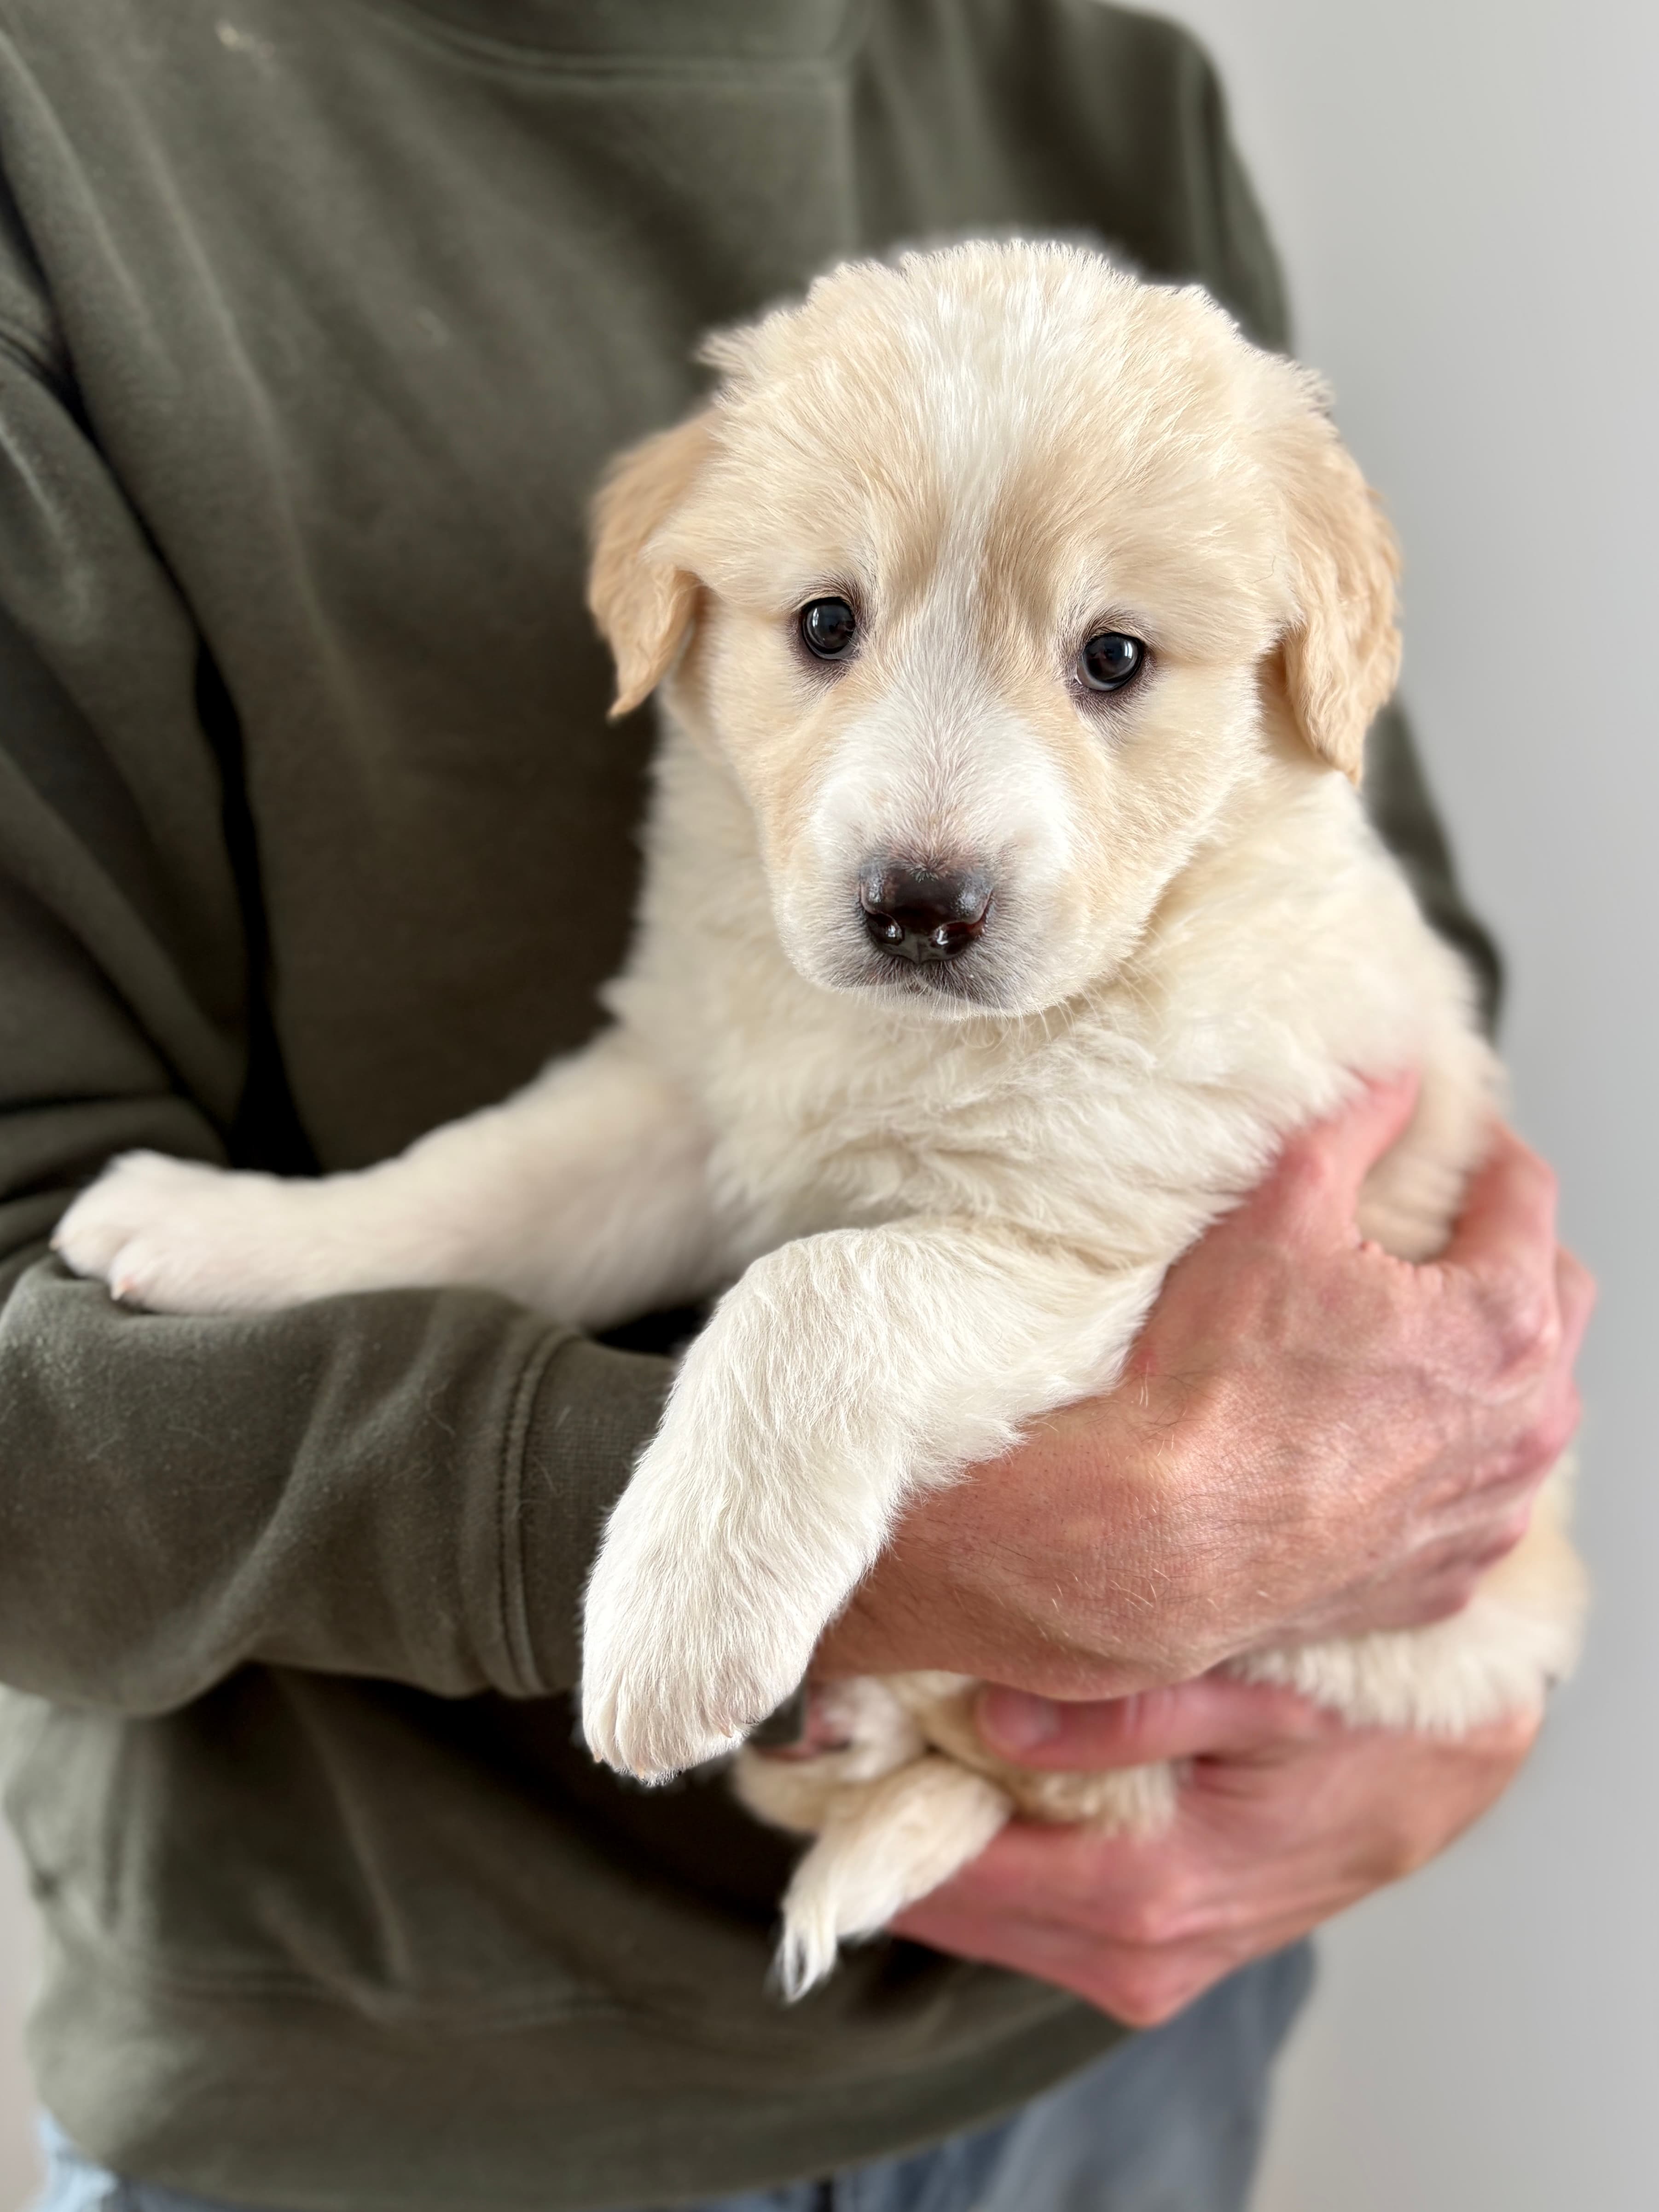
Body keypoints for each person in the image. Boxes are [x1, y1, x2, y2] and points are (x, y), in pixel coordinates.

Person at [0, 2, 1588, 2208]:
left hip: (1131, 2028)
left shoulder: (1108, 90)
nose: (928, 831)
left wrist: (1440, 1734)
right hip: (405, 2091)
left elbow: (1273, 1230)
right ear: (680, 601)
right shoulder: (64, 119)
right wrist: (359, 1268)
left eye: (1110, 662)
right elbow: (677, 1125)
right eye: (821, 622)